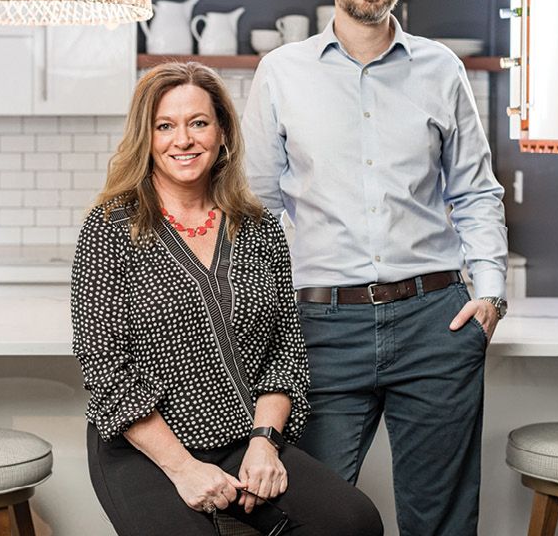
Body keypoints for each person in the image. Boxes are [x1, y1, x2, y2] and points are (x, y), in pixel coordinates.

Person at [242, 0, 508, 536]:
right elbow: (256, 208)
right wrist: (269, 313)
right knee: (313, 516)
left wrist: (491, 294)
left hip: (434, 320)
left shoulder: (441, 69)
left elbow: (475, 192)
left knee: (441, 520)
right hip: (320, 326)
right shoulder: (281, 72)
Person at [71, 62, 383, 536]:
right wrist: (183, 468)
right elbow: (105, 369)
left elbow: (286, 351)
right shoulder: (110, 228)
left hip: (241, 436)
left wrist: (265, 444)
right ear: (146, 137)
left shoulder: (259, 227)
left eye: (198, 123)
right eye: (165, 126)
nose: (184, 140)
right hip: (147, 447)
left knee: (355, 523)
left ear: (222, 133)